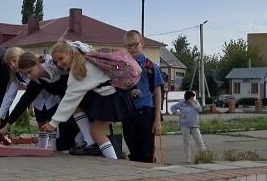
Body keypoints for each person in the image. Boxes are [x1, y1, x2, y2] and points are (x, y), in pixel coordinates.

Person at [42, 40, 137, 159]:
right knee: (95, 131)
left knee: (96, 132)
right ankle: (104, 154)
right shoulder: (87, 59)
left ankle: (113, 163)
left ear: (70, 53)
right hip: (114, 95)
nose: (59, 64)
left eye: (61, 58)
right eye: (56, 62)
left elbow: (69, 99)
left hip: (111, 97)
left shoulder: (79, 70)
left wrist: (53, 123)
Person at [0, 51, 93, 150]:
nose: (29, 76)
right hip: (66, 105)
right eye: (26, 74)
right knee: (63, 145)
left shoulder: (56, 67)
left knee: (76, 136)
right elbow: (24, 100)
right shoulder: (38, 80)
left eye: (29, 71)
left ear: (37, 64)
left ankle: (90, 143)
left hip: (83, 97)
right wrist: (7, 126)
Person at [122, 30, 164, 163]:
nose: (132, 48)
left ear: (142, 43)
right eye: (129, 46)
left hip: (146, 112)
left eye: (135, 44)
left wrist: (157, 119)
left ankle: (149, 175)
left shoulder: (150, 66)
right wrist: (129, 92)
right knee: (133, 150)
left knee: (147, 151)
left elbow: (157, 92)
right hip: (128, 112)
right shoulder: (122, 66)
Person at [0, 47, 28, 133]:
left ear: (22, 57)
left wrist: (7, 125)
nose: (12, 65)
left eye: (14, 61)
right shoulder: (16, 76)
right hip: (39, 103)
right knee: (42, 126)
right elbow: (9, 96)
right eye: (9, 64)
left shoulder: (33, 68)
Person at [170, 90, 206, 163]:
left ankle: (205, 156)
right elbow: (172, 108)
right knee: (186, 142)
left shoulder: (195, 102)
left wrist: (193, 104)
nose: (192, 99)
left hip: (194, 124)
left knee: (199, 140)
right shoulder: (181, 103)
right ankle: (187, 159)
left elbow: (200, 110)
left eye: (193, 97)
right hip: (184, 125)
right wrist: (179, 114)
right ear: (187, 98)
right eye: (191, 97)